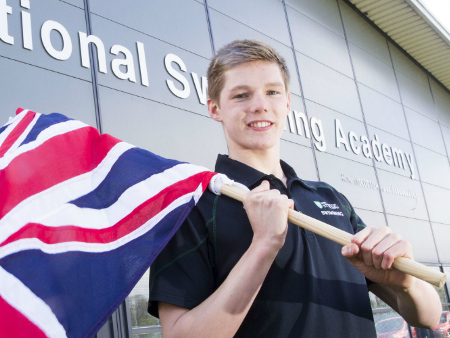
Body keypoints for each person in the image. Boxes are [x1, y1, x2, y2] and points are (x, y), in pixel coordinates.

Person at [148, 39, 441, 337]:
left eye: (272, 92)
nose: (260, 105)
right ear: (215, 108)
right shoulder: (193, 207)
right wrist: (263, 245)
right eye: (241, 95)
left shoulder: (329, 198)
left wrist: (406, 284)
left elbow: (428, 316)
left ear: (287, 102)